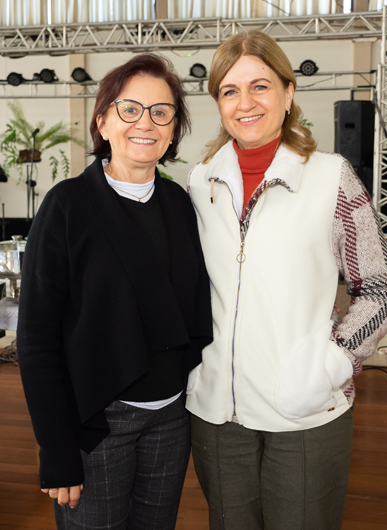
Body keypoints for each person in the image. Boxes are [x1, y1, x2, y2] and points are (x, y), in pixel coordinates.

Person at [186, 31, 387, 530]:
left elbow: (381, 286)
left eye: (260, 86)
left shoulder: (330, 176)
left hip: (305, 410)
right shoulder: (199, 182)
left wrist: (331, 364)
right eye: (230, 90)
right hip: (216, 415)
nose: (245, 103)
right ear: (218, 103)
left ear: (288, 92)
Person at [17, 53, 213, 530]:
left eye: (161, 112)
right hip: (98, 422)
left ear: (173, 130)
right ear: (103, 121)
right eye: (129, 109)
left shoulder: (179, 204)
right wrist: (56, 450)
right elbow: (36, 340)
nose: (145, 122)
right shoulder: (66, 205)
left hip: (171, 418)